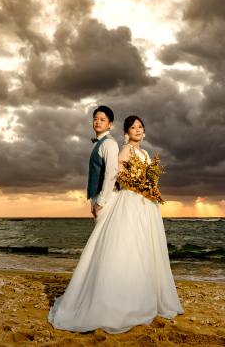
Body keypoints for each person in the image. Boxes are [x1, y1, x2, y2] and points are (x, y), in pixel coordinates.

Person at [48, 112, 184, 334]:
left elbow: (150, 176)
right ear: (126, 132)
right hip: (131, 201)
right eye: (133, 127)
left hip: (147, 204)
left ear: (144, 131)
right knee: (130, 247)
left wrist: (152, 188)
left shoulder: (145, 153)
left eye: (140, 127)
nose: (137, 130)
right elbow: (119, 175)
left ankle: (146, 293)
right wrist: (141, 187)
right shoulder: (126, 150)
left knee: (147, 248)